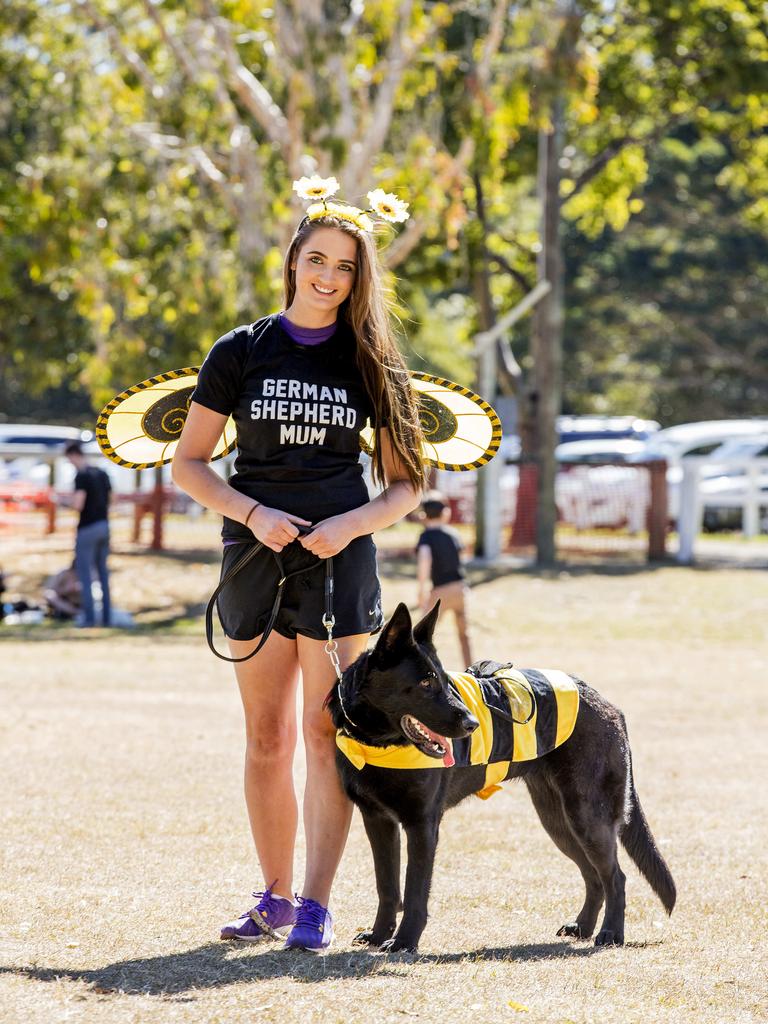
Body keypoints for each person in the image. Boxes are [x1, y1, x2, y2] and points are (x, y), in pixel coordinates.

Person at [171, 177, 425, 951]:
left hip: (339, 566)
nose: (328, 277)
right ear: (293, 263)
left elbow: (409, 484)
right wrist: (253, 513)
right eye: (316, 260)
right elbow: (189, 465)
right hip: (252, 559)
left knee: (324, 734)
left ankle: (314, 906)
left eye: (345, 267)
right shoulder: (240, 350)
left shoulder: (373, 361)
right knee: (266, 738)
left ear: (359, 278)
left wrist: (349, 524)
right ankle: (273, 897)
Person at [416, 491, 472, 668]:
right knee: (464, 634)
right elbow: (462, 557)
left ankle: (419, 669)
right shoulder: (453, 534)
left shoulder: (426, 537)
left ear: (423, 515)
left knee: (420, 635)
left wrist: (421, 589)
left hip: (440, 591)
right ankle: (470, 668)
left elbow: (425, 559)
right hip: (460, 588)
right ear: (445, 513)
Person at [64, 441, 112, 628]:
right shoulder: (102, 473)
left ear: (74, 455)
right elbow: (111, 500)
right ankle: (106, 618)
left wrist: (62, 501)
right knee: (103, 574)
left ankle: (90, 619)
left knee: (85, 574)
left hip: (87, 528)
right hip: (104, 526)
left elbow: (78, 504)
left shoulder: (81, 476)